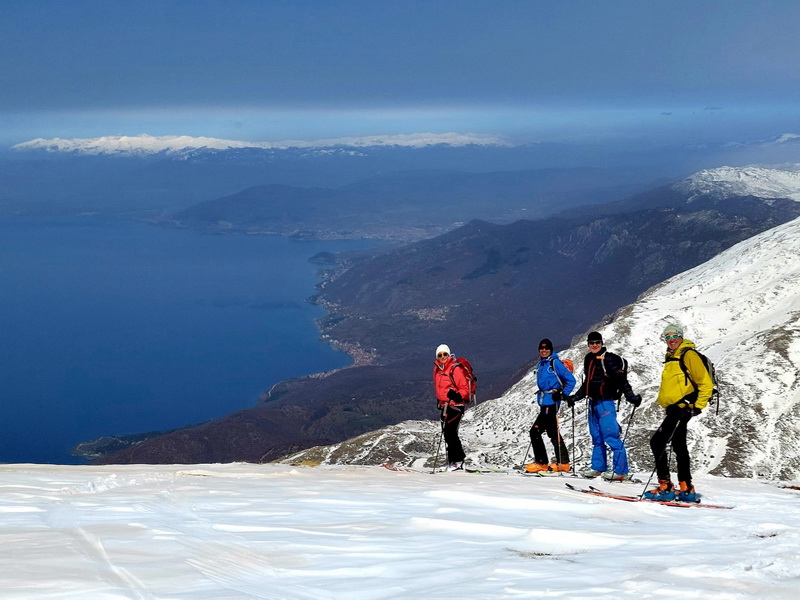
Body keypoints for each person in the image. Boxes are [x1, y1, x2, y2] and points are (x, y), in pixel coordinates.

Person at [645, 324, 713, 501]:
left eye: (674, 336)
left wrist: (697, 406)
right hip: (674, 409)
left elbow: (705, 383)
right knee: (679, 446)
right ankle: (686, 488)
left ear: (681, 336)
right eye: (667, 337)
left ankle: (665, 486)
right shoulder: (671, 356)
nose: (672, 339)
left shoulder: (688, 354)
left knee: (657, 442)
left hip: (681, 409)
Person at [567, 331, 642, 480]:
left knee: (611, 436)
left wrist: (630, 396)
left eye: (597, 342)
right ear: (588, 344)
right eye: (591, 343)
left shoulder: (608, 359)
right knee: (596, 437)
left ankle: (620, 472)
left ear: (602, 343)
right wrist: (575, 397)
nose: (594, 345)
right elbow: (588, 382)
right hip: (593, 402)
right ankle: (598, 467)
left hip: (605, 403)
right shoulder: (589, 358)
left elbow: (621, 380)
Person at [525, 338, 575, 473]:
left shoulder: (555, 363)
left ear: (551, 349)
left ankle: (542, 463)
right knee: (553, 432)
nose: (544, 350)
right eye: (541, 348)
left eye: (547, 348)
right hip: (544, 402)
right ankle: (563, 463)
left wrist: (562, 394)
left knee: (535, 431)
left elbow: (571, 380)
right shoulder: (542, 364)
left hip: (551, 403)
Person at [433, 343, 470, 471]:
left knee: (450, 433)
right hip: (445, 405)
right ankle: (452, 461)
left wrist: (456, 395)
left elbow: (464, 388)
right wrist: (440, 401)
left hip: (455, 406)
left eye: (445, 354)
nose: (442, 356)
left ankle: (458, 460)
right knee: (447, 433)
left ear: (449, 354)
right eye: (440, 355)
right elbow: (439, 389)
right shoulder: (437, 369)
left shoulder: (455, 369)